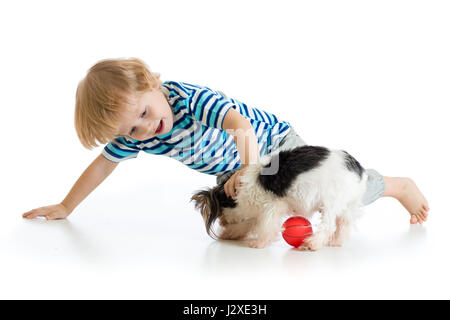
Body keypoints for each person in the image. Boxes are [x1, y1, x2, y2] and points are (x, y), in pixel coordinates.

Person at [22, 57, 429, 225]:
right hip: (235, 171)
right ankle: (279, 213)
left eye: (145, 114)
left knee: (324, 196)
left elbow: (241, 127)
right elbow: (102, 164)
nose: (145, 130)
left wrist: (246, 171)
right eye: (131, 130)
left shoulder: (189, 99)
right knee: (232, 217)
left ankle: (395, 186)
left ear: (153, 84)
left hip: (274, 149)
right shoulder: (141, 138)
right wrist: (65, 205)